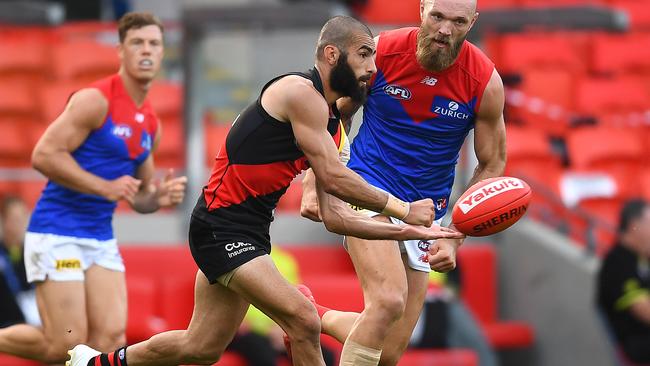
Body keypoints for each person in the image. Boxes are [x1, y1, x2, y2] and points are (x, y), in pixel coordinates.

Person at [66, 15, 464, 366]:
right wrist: (401, 207)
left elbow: (335, 216)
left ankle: (96, 363)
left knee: (200, 347)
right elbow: (336, 178)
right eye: (363, 55)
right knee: (304, 320)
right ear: (331, 55)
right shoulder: (299, 92)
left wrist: (412, 231)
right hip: (221, 229)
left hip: (249, 235)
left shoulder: (328, 125)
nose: (372, 68)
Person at [299, 0, 506, 364]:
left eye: (458, 21)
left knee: (388, 351)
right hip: (367, 186)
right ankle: (308, 317)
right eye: (437, 16)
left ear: (472, 22)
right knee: (388, 299)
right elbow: (333, 115)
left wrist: (456, 234)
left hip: (427, 213)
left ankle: (309, 316)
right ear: (421, 10)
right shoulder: (380, 53)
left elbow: (492, 163)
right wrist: (314, 182)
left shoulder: (484, 81)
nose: (445, 29)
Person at [0, 12, 187, 364]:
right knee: (64, 345)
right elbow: (43, 155)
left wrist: (158, 197)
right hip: (57, 233)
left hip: (100, 239)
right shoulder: (95, 100)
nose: (146, 50)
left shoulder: (150, 122)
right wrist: (104, 186)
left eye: (154, 43)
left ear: (162, 53)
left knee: (110, 339)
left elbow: (140, 197)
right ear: (120, 50)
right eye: (137, 43)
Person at [227, 246, 335, 366]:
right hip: (244, 330)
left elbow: (295, 299)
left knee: (326, 355)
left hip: (279, 327)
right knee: (262, 353)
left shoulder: (284, 260)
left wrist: (282, 329)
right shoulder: (231, 255)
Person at [597, 199, 650, 364]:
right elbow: (645, 311)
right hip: (636, 346)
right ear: (635, 225)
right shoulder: (617, 263)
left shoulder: (643, 258)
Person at [0, 196, 38, 328]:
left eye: (23, 218)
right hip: (7, 325)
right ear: (3, 221)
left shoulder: (34, 253)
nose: (21, 224)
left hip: (34, 323)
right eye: (15, 219)